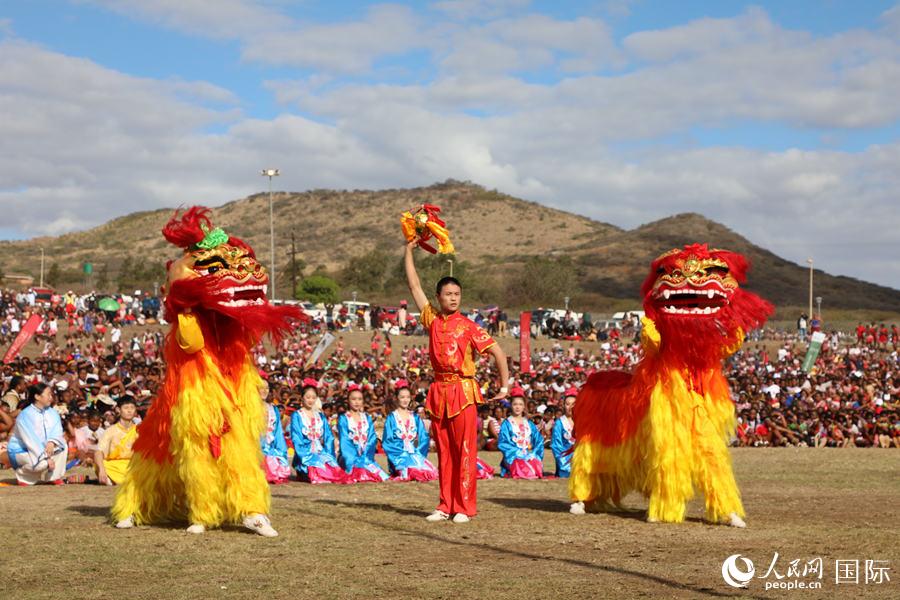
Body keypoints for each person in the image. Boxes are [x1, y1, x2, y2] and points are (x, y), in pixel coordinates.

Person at [405, 240, 509, 523]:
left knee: (465, 450)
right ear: (438, 296)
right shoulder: (432, 320)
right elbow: (414, 286)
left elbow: (498, 352)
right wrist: (409, 250)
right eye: (448, 294)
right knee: (444, 452)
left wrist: (504, 386)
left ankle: (464, 507)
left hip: (463, 391)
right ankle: (444, 505)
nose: (453, 298)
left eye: (457, 294)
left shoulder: (470, 326)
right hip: (439, 391)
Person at [3, 384, 67, 485]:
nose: (51, 397)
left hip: (43, 448)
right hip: (22, 451)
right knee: (42, 464)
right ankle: (23, 475)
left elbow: (57, 431)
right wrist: (47, 458)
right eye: (48, 394)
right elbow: (30, 441)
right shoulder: (25, 415)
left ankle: (53, 476)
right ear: (37, 397)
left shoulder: (53, 412)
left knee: (63, 445)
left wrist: (52, 442)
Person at [289, 380, 346, 484]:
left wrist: (328, 454)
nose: (310, 400)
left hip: (320, 452)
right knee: (316, 471)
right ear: (302, 398)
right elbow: (296, 437)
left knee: (334, 470)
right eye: (308, 397)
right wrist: (306, 456)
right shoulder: (297, 415)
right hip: (305, 456)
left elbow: (328, 437)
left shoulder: (320, 416)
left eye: (313, 397)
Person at [382, 380, 438, 482]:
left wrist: (416, 451)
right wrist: (401, 453)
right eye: (402, 397)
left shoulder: (415, 417)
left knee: (429, 472)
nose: (405, 400)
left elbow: (423, 437)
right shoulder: (391, 418)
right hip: (398, 458)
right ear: (396, 398)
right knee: (411, 471)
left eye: (407, 397)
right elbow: (388, 441)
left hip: (414, 454)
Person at [337, 386, 389, 482]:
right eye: (353, 399)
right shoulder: (343, 418)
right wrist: (352, 459)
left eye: (359, 399)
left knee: (382, 476)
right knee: (358, 474)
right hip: (348, 458)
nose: (357, 402)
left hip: (365, 456)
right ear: (348, 401)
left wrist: (366, 455)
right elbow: (345, 441)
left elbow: (372, 438)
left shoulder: (367, 418)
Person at [498, 389, 544, 479]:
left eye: (520, 404)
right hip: (512, 457)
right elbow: (503, 443)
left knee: (535, 464)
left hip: (528, 455)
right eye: (515, 404)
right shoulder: (506, 423)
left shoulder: (529, 423)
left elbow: (539, 440)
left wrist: (534, 453)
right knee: (520, 465)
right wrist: (517, 453)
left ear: (524, 407)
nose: (517, 407)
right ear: (511, 406)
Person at [94, 398, 139, 485]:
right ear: (118, 410)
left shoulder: (139, 430)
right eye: (126, 408)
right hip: (114, 466)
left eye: (132, 408)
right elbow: (98, 452)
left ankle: (114, 480)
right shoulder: (111, 431)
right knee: (100, 464)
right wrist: (102, 470)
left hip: (134, 466)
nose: (129, 411)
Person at [259, 379, 290, 484]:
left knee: (280, 468)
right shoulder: (248, 408)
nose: (265, 390)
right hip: (255, 450)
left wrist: (282, 451)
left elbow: (278, 434)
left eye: (267, 388)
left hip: (270, 448)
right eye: (261, 387)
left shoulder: (273, 409)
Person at [551, 388, 577, 478]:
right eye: (567, 404)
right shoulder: (559, 423)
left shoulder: (583, 421)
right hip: (565, 459)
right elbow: (556, 445)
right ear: (563, 406)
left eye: (574, 404)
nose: (570, 407)